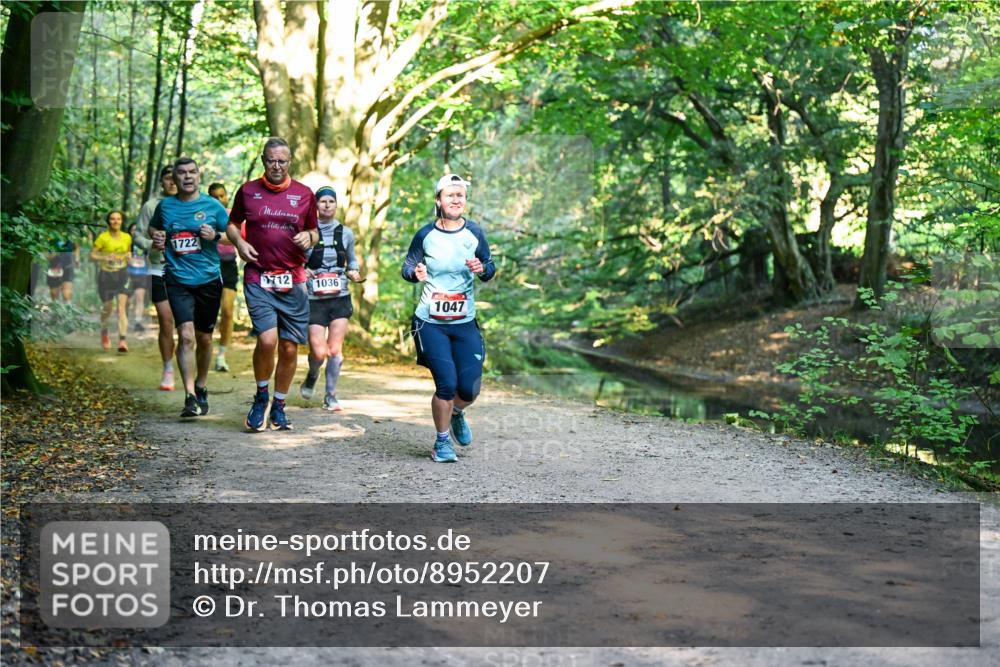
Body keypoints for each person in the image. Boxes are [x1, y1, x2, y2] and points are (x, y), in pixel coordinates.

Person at [401, 174, 496, 463]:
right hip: (430, 322)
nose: (456, 200)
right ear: (438, 201)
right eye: (450, 195)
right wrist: (414, 274)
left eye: (461, 196)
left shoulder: (475, 232)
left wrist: (482, 268)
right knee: (446, 383)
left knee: (469, 387)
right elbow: (407, 267)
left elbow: (489, 269)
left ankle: (456, 412)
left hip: (464, 321)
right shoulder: (425, 234)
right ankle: (442, 442)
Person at [228, 137, 318, 431]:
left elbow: (314, 230)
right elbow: (231, 224)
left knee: (290, 348)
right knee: (267, 340)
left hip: (293, 279)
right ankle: (261, 396)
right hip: (259, 276)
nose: (276, 166)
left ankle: (279, 405)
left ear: (289, 161)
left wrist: (311, 237)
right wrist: (239, 242)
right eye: (271, 160)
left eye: (282, 161)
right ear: (263, 160)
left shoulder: (304, 194)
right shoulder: (247, 191)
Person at [150, 158, 229, 418]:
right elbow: (154, 227)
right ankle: (189, 396)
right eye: (181, 173)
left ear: (199, 175)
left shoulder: (213, 206)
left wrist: (215, 236)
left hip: (208, 279)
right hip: (177, 278)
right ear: (174, 177)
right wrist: (157, 236)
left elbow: (234, 235)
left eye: (192, 172)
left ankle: (202, 385)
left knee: (204, 338)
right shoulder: (166, 206)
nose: (187, 177)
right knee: (185, 335)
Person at [299, 187, 361, 411]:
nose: (327, 205)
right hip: (314, 298)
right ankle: (312, 375)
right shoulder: (306, 232)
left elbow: (352, 261)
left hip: (340, 297)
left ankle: (331, 395)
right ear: (315, 206)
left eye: (331, 201)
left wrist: (354, 272)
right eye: (322, 201)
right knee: (318, 351)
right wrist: (303, 271)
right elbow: (296, 262)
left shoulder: (346, 233)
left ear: (336, 205)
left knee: (334, 350)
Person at [134, 166, 178, 390]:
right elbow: (138, 235)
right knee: (166, 320)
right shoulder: (151, 206)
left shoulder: (190, 206)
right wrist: (151, 244)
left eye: (175, 178)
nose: (172, 182)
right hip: (158, 268)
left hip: (187, 271)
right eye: (167, 179)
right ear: (161, 182)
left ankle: (188, 365)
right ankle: (168, 367)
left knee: (188, 324)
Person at [91, 211, 132, 353]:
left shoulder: (127, 237)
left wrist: (129, 257)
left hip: (122, 275)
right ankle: (104, 333)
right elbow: (92, 255)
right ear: (108, 221)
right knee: (107, 308)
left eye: (118, 219)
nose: (115, 221)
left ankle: (122, 340)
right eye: (113, 219)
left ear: (121, 221)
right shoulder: (103, 237)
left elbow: (129, 253)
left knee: (121, 308)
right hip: (106, 276)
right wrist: (105, 257)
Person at [208, 182, 237, 372]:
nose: (219, 199)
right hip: (208, 265)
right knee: (207, 314)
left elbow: (238, 236)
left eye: (222, 196)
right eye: (214, 196)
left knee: (227, 311)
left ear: (227, 197)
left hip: (228, 265)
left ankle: (221, 355)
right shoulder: (204, 215)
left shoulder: (232, 215)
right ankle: (203, 350)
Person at [126, 223, 150, 331]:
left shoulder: (144, 244)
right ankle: (124, 320)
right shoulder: (126, 243)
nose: (135, 232)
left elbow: (149, 258)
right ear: (129, 232)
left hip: (142, 273)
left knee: (140, 297)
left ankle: (138, 321)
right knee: (128, 300)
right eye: (133, 230)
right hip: (128, 274)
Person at [46, 238, 79, 303]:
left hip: (68, 266)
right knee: (54, 294)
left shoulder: (70, 235)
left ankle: (67, 310)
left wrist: (77, 258)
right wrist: (51, 255)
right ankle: (56, 309)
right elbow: (47, 254)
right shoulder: (51, 236)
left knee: (66, 294)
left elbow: (76, 247)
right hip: (54, 267)